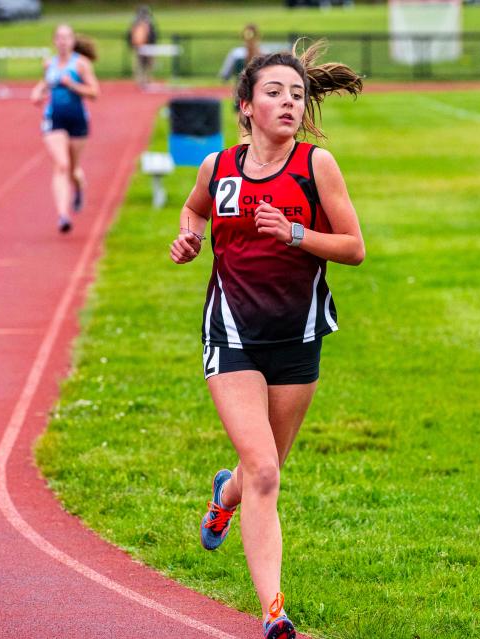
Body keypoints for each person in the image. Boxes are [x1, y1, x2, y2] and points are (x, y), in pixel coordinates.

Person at [169, 40, 364, 639]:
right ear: (247, 105)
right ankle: (273, 613)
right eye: (274, 92)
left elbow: (354, 248)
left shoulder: (315, 167)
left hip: (297, 335)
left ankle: (222, 498)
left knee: (261, 471)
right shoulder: (218, 168)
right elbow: (194, 210)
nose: (288, 102)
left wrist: (297, 233)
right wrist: (188, 237)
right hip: (231, 334)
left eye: (297, 94)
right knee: (265, 471)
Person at [30, 24, 99, 234]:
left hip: (77, 119)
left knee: (73, 170)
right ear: (54, 41)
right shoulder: (49, 63)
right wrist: (37, 93)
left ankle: (78, 186)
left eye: (66, 38)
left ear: (72, 41)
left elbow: (95, 93)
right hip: (54, 119)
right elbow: (44, 84)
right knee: (61, 164)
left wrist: (73, 85)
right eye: (59, 38)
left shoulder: (81, 65)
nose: (62, 41)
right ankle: (63, 215)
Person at [127, 4, 157, 87]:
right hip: (141, 46)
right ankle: (142, 80)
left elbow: (153, 35)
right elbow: (132, 35)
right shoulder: (139, 22)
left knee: (145, 64)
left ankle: (145, 79)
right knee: (141, 64)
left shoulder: (146, 22)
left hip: (146, 46)